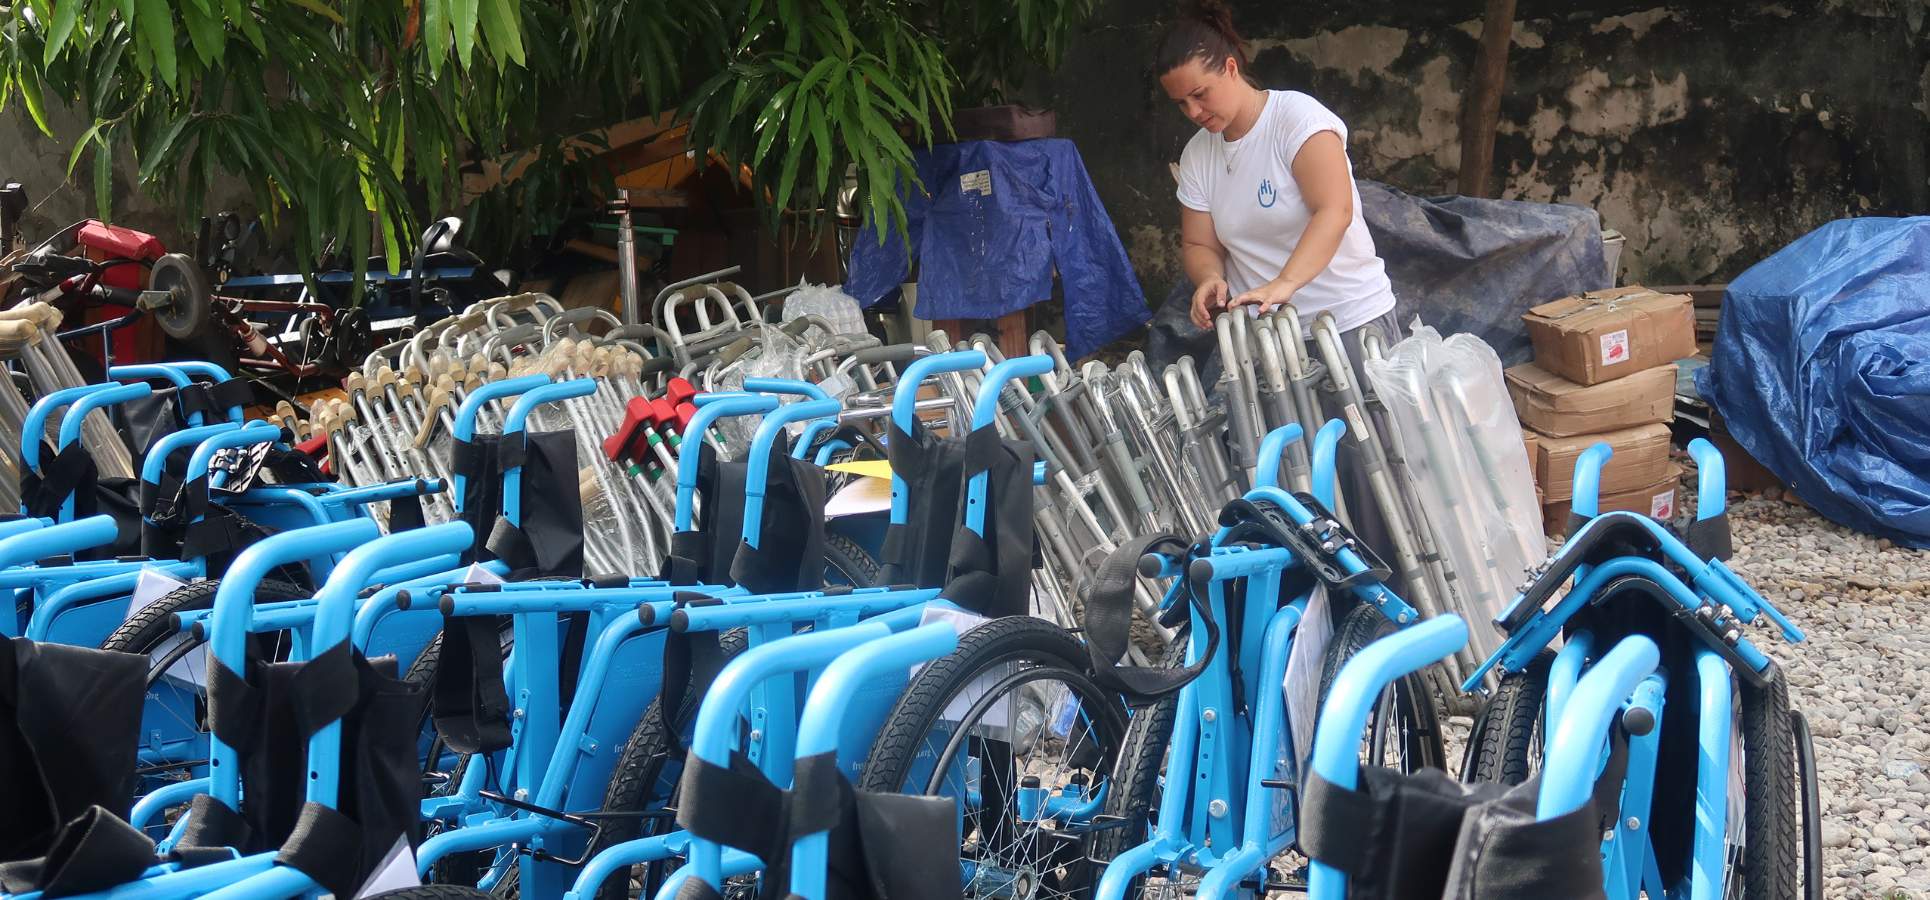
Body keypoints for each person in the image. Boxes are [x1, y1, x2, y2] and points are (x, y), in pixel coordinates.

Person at [1156, 0, 1409, 586]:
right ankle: (1318, 612)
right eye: (1182, 104)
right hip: (1271, 345)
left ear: (1230, 67)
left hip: (1344, 326)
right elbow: (1199, 242)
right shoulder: (1199, 156)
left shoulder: (1297, 119)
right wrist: (1210, 279)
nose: (1195, 112)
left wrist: (1286, 284)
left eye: (1201, 94)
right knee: (1295, 481)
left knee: (1369, 483)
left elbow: (1335, 209)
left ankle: (1393, 616)